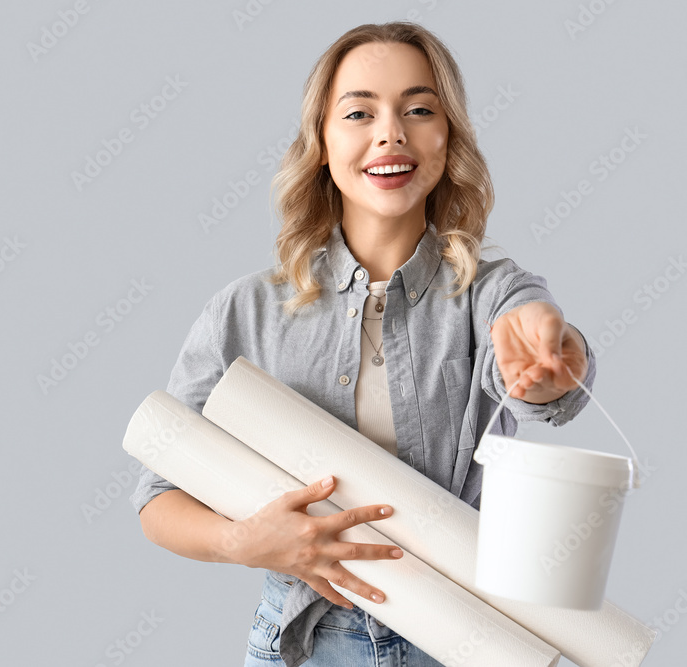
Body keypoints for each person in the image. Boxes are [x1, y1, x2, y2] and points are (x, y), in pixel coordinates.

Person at [129, 21, 595, 667]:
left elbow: (538, 354)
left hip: (466, 640)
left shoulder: (490, 289)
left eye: (419, 109)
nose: (391, 132)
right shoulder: (245, 311)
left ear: (448, 136)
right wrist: (244, 541)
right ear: (321, 141)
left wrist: (549, 356)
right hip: (304, 643)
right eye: (359, 111)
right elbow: (159, 495)